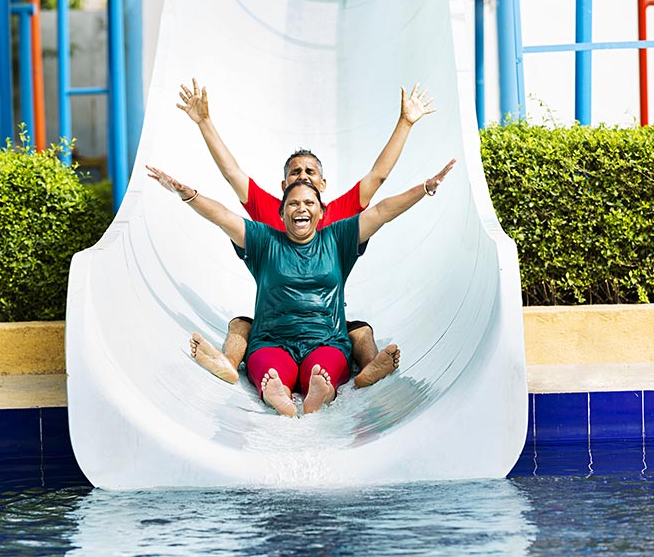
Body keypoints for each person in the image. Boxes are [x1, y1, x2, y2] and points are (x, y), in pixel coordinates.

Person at [177, 78, 436, 388]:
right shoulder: (270, 214)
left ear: (322, 187)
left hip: (324, 321)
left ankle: (371, 369)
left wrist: (405, 122)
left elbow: (378, 179)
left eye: (310, 172)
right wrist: (204, 122)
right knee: (241, 326)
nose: (302, 176)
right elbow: (232, 174)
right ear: (284, 188)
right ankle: (227, 364)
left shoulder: (339, 217)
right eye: (295, 173)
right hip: (276, 325)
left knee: (360, 331)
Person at [146, 158, 456, 417]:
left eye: (309, 203)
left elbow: (381, 212)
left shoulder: (338, 238)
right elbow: (224, 217)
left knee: (322, 368)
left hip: (326, 339)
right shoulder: (264, 240)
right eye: (292, 203)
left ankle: (318, 393)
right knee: (270, 369)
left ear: (321, 212)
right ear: (281, 214)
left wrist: (424, 189)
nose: (301, 208)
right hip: (272, 339)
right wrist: (187, 194)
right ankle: (277, 393)